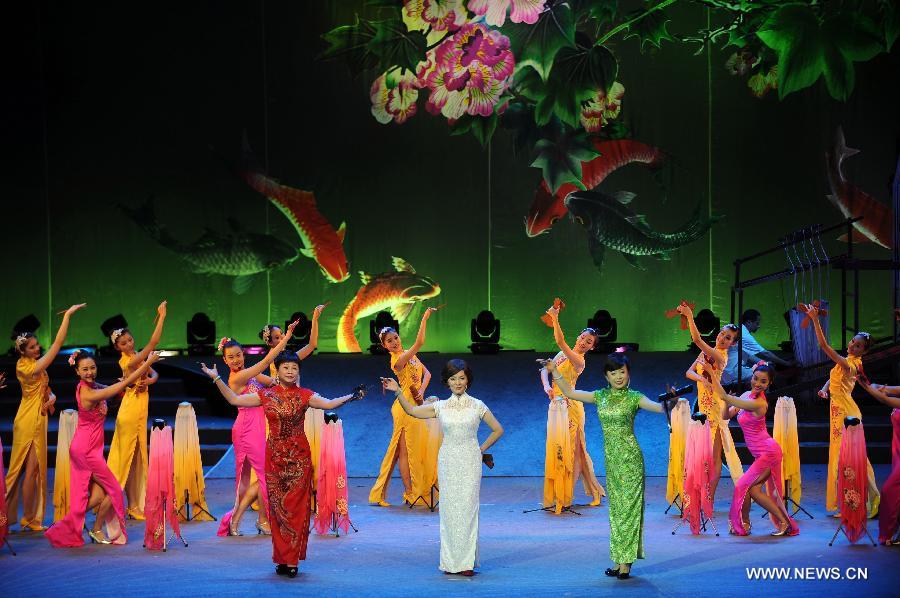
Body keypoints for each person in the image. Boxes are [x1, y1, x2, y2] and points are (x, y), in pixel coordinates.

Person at [201, 353, 365, 578]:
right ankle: (281, 557)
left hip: (299, 459)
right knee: (277, 511)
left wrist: (352, 396)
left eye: (294, 368)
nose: (290, 371)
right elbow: (234, 400)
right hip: (275, 458)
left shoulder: (305, 395)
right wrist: (216, 378)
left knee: (296, 509)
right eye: (286, 367)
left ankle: (292, 560)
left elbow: (328, 404)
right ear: (277, 371)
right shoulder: (265, 394)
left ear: (298, 372)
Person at [542, 351, 673, 580]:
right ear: (607, 376)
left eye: (622, 372)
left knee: (629, 510)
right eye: (614, 373)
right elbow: (570, 392)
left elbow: (659, 408)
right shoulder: (599, 396)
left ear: (628, 373)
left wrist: (671, 402)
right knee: (616, 511)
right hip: (612, 462)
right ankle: (618, 558)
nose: (619, 377)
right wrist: (554, 372)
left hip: (631, 460)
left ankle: (626, 563)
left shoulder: (635, 397)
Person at [381, 358, 503, 576]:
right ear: (447, 382)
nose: (457, 382)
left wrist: (479, 449)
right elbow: (411, 411)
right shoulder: (440, 406)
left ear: (468, 380)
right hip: (447, 460)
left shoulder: (477, 405)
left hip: (469, 461)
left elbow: (497, 429)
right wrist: (398, 391)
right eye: (453, 378)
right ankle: (450, 562)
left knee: (467, 510)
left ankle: (465, 563)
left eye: (462, 378)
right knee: (448, 511)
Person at [45, 350, 162, 547]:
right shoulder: (88, 392)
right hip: (85, 451)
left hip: (90, 448)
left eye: (92, 367)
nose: (90, 372)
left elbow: (121, 384)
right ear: (77, 372)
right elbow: (121, 386)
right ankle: (96, 528)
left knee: (99, 495)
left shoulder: (93, 385)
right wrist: (147, 362)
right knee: (115, 488)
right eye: (85, 369)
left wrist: (133, 377)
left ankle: (65, 523)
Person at [6, 303, 85, 531]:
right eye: (32, 347)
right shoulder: (25, 367)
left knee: (34, 470)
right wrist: (68, 316)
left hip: (39, 418)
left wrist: (51, 395)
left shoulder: (34, 365)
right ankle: (9, 516)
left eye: (36, 344)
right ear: (23, 351)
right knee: (20, 471)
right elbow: (58, 345)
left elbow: (43, 387)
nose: (38, 348)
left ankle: (29, 518)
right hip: (27, 420)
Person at [218, 320, 298, 536]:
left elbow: (272, 382)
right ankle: (255, 521)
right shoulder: (238, 377)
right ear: (225, 361)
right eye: (231, 357)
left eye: (238, 355)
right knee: (262, 475)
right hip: (246, 429)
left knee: (263, 476)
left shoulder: (250, 374)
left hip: (258, 427)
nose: (236, 359)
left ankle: (252, 520)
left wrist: (290, 377)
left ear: (243, 355)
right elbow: (267, 361)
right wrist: (287, 337)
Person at [803, 303, 880, 517]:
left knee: (848, 458)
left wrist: (815, 320)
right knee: (841, 457)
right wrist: (824, 388)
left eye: (857, 346)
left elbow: (825, 347)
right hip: (837, 408)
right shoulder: (845, 362)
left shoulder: (852, 364)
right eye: (852, 342)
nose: (852, 346)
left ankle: (858, 501)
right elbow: (833, 375)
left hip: (846, 412)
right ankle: (849, 501)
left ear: (863, 351)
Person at [710, 363, 799, 536]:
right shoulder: (746, 396)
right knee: (752, 489)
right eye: (755, 379)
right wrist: (726, 400)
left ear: (769, 383)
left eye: (763, 381)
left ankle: (777, 523)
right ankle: (749, 523)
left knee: (743, 485)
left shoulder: (759, 404)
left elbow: (722, 396)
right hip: (761, 454)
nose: (757, 383)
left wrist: (711, 373)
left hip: (768, 453)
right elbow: (725, 415)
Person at [369, 308, 439, 507]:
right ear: (384, 346)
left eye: (396, 337)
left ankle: (415, 490)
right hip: (404, 407)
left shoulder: (409, 355)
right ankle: (409, 493)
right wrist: (424, 318)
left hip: (416, 404)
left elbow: (428, 374)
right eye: (389, 341)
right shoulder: (398, 360)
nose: (394, 341)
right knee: (403, 451)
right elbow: (420, 343)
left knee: (414, 449)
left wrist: (421, 393)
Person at [676, 302, 743, 504]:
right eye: (723, 334)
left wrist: (689, 316)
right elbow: (688, 372)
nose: (723, 338)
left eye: (728, 338)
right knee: (702, 457)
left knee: (713, 459)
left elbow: (696, 339)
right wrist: (703, 379)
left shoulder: (719, 356)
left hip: (713, 409)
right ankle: (700, 496)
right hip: (703, 408)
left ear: (732, 344)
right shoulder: (708, 351)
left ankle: (708, 499)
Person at [540, 306, 605, 513]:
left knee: (572, 451)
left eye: (589, 342)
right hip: (556, 406)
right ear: (579, 337)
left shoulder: (579, 361)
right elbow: (545, 369)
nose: (584, 342)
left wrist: (555, 318)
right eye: (583, 338)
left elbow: (560, 341)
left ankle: (565, 494)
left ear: (591, 347)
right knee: (559, 449)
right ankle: (563, 493)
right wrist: (547, 387)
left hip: (571, 406)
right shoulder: (561, 354)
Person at [106, 301, 167, 520]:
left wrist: (145, 382)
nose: (129, 344)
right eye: (124, 343)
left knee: (138, 458)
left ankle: (134, 504)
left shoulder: (136, 357)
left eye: (130, 340)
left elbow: (154, 375)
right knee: (128, 459)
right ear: (118, 347)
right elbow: (154, 343)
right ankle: (123, 505)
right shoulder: (128, 363)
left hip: (140, 409)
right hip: (130, 411)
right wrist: (161, 316)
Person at [259, 305, 327, 484]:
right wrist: (269, 382)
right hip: (282, 410)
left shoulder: (290, 358)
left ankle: (305, 490)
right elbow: (255, 373)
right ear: (269, 342)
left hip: (298, 408)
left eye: (282, 334)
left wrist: (315, 319)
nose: (282, 338)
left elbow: (312, 345)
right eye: (277, 337)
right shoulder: (274, 360)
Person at [855, 381, 900, 545]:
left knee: (889, 490)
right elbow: (886, 390)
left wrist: (865, 386)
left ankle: (887, 533)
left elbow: (886, 400)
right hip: (898, 450)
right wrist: (873, 385)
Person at [721, 309, 794, 385]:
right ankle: (765, 396)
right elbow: (766, 353)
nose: (759, 326)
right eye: (757, 323)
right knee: (764, 375)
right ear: (749, 322)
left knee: (761, 369)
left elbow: (747, 356)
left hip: (727, 371)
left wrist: (763, 363)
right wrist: (786, 363)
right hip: (730, 372)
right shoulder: (744, 335)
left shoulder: (739, 330)